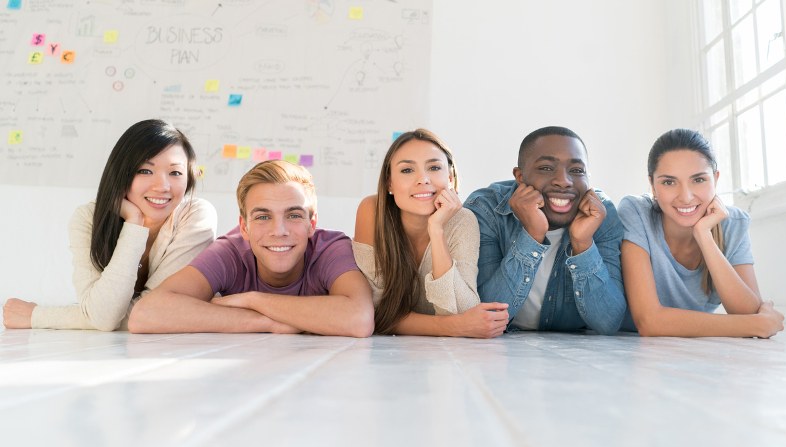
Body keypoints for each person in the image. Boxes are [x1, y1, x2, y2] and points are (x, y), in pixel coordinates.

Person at [2, 119, 217, 331]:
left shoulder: (196, 216)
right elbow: (104, 316)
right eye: (145, 170)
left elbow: (148, 313)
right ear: (121, 173)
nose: (162, 186)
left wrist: (39, 316)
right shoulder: (88, 218)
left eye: (175, 173)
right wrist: (134, 222)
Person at [128, 160, 374, 337]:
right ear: (244, 228)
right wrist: (266, 323)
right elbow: (145, 314)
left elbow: (359, 319)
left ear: (312, 224)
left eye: (294, 215)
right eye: (263, 217)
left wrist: (252, 299)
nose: (279, 231)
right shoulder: (231, 252)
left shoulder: (331, 249)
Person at [619, 128, 784, 337]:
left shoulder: (733, 223)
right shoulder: (636, 212)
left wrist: (704, 236)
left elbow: (748, 312)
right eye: (669, 182)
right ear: (652, 184)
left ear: (715, 178)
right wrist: (756, 326)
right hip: (630, 344)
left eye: (698, 180)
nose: (686, 197)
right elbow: (649, 321)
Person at [464, 126, 626, 335]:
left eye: (576, 170)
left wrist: (583, 244)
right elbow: (487, 312)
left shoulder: (601, 214)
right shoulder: (486, 208)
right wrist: (532, 235)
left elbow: (609, 322)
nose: (564, 181)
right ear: (520, 176)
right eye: (547, 168)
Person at [353, 129, 508, 338]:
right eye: (407, 170)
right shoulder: (372, 211)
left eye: (434, 167)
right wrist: (454, 326)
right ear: (389, 182)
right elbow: (376, 311)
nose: (423, 179)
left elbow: (461, 310)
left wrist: (437, 230)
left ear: (450, 177)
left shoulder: (463, 220)